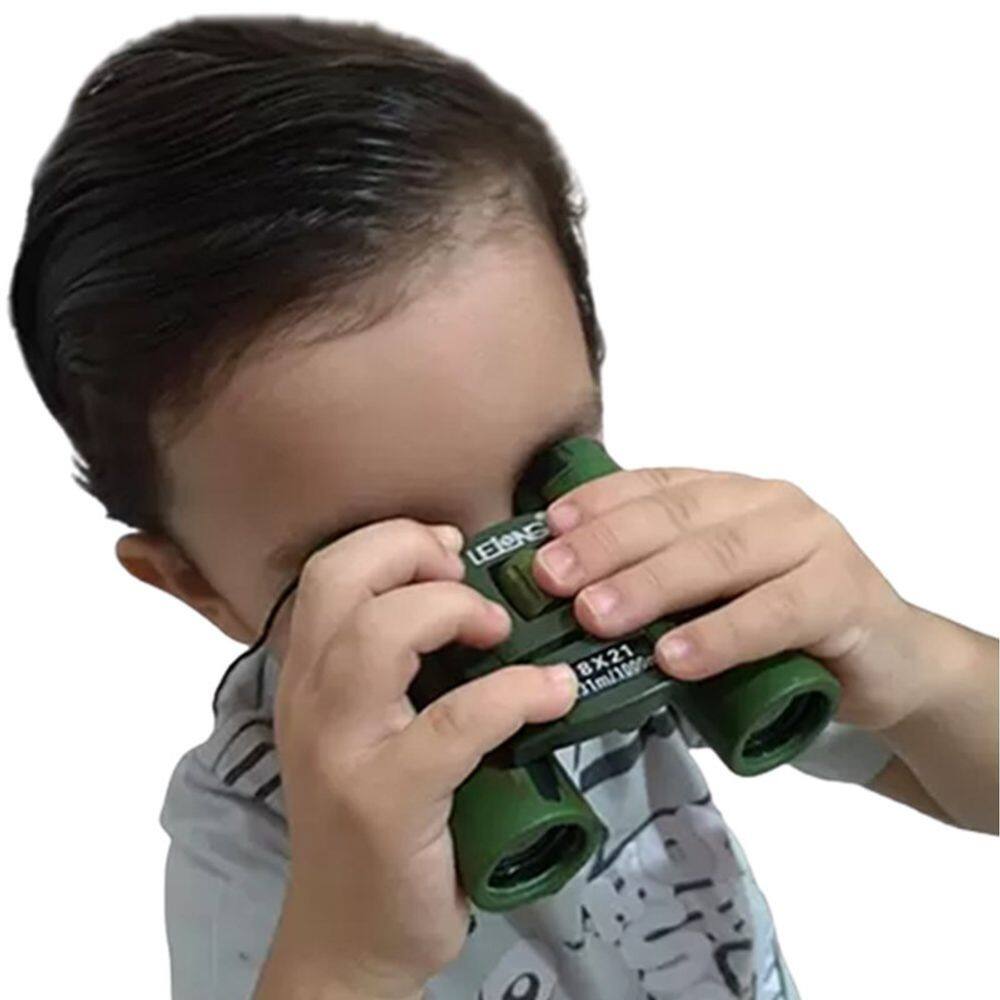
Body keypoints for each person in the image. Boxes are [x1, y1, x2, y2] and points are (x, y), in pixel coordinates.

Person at [9, 15, 997, 1000]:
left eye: (544, 477)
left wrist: (912, 656)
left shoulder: (630, 590)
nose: (520, 586)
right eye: (378, 554)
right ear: (198, 586)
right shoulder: (256, 821)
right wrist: (349, 953)